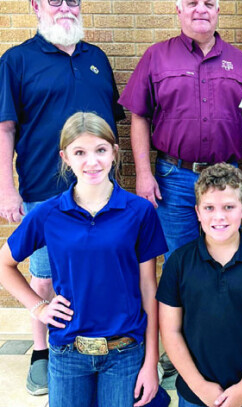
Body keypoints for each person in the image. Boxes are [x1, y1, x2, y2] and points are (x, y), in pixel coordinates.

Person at [0, 0, 125, 395]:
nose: (66, 7)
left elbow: (111, 129)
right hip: (43, 188)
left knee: (99, 266)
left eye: (73, 0)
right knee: (43, 274)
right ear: (37, 6)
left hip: (101, 194)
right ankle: (43, 352)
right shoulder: (17, 60)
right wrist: (6, 187)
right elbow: (5, 129)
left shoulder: (97, 58)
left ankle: (101, 344)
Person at [0, 112, 168, 407]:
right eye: (80, 152)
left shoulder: (140, 212)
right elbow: (4, 264)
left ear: (114, 153)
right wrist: (38, 307)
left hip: (124, 352)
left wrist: (151, 360)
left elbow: (148, 290)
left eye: (100, 150)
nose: (92, 162)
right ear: (65, 157)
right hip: (68, 353)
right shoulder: (49, 213)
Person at [119, 0, 242, 260]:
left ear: (217, 12)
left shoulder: (238, 61)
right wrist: (143, 174)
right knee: (178, 260)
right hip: (174, 178)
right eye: (192, 3)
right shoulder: (156, 56)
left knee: (224, 257)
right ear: (179, 10)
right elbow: (140, 116)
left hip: (226, 178)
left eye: (209, 4)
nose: (201, 9)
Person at [157, 163, 242, 407]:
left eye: (229, 207)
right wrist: (199, 386)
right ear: (197, 212)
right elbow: (170, 331)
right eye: (209, 208)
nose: (219, 216)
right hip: (196, 395)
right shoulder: (179, 262)